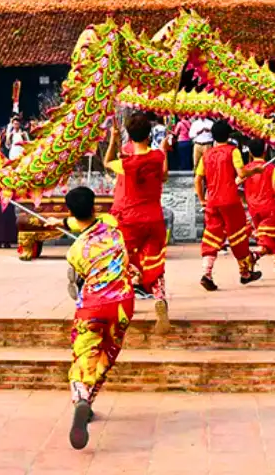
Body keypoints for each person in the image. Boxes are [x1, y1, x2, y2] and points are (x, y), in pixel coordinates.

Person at [46, 186, 134, 451]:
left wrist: (60, 223)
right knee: (106, 354)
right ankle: (89, 401)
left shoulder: (74, 252)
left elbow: (75, 287)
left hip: (92, 307)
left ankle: (81, 398)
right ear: (95, 206)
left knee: (84, 355)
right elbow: (120, 255)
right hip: (121, 305)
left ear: (70, 211)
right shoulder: (114, 232)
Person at [104, 112, 170, 333]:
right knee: (154, 259)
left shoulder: (128, 163)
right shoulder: (158, 157)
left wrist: (113, 138)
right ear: (149, 133)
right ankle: (159, 297)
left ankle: (122, 304)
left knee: (125, 261)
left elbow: (106, 162)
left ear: (129, 137)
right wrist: (164, 148)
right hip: (154, 217)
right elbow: (164, 176)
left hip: (131, 218)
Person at [194, 120, 260, 291]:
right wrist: (255, 171)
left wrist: (202, 198)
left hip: (213, 201)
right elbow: (242, 173)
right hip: (230, 200)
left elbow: (198, 178)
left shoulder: (207, 155)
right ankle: (245, 273)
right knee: (238, 236)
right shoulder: (233, 151)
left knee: (211, 236)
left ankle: (206, 273)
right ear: (229, 135)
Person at [241, 139, 275, 277]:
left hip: (253, 209)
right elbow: (274, 190)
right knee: (268, 240)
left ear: (249, 152)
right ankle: (255, 256)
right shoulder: (271, 168)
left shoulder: (245, 170)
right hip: (269, 208)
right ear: (265, 151)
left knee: (271, 237)